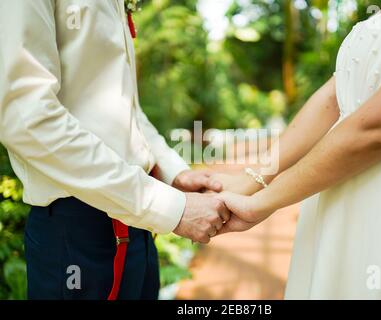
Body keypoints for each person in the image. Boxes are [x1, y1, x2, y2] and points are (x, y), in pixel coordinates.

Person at [212, 0, 381, 299]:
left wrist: (262, 202)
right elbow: (336, 97)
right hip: (341, 203)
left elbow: (379, 128)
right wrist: (252, 178)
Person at [0, 0, 228, 299]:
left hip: (138, 223)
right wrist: (169, 208)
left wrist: (172, 172)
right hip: (78, 233)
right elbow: (25, 116)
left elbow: (124, 109)